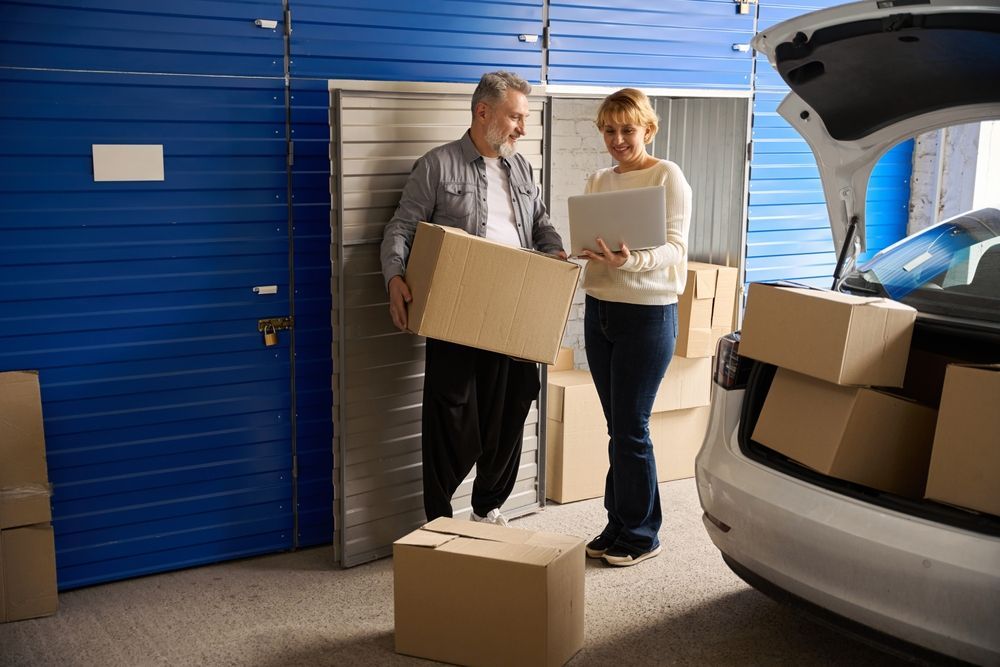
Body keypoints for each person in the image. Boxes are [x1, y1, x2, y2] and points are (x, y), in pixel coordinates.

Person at [380, 71, 567, 526]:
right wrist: (394, 278)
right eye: (516, 117)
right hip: (458, 310)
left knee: (515, 402)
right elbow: (401, 226)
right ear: (483, 112)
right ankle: (439, 518)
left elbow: (540, 222)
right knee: (451, 409)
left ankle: (487, 506)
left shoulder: (520, 167)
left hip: (517, 308)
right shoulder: (437, 165)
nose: (523, 128)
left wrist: (554, 250)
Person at [579, 88, 692, 566]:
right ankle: (620, 521)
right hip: (599, 308)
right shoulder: (598, 179)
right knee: (617, 427)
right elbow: (589, 236)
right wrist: (583, 251)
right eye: (610, 130)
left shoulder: (667, 176)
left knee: (631, 427)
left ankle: (644, 534)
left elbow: (675, 248)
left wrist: (632, 261)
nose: (618, 139)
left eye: (628, 129)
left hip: (648, 313)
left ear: (648, 128)